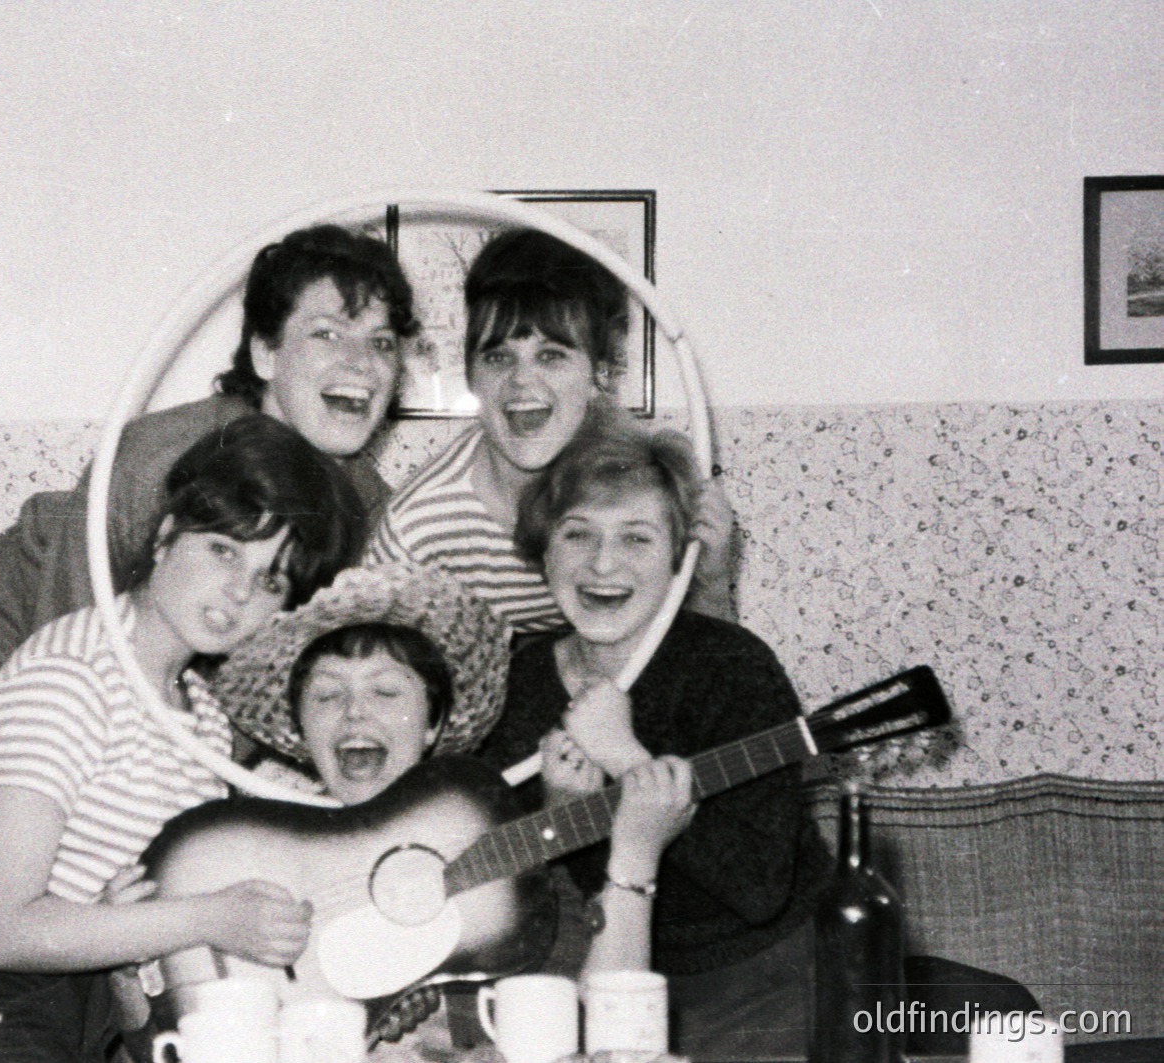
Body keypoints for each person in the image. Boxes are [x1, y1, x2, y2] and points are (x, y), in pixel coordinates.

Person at [0, 416, 368, 1063]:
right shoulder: (72, 675)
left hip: (67, 1017)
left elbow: (102, 927)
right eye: (223, 548)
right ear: (165, 534)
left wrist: (118, 926)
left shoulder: (198, 716)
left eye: (270, 578)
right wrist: (213, 916)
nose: (239, 590)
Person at [0, 224, 419, 835]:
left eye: (382, 343)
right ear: (264, 352)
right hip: (0, 647)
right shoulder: (161, 461)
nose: (361, 363)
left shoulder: (364, 499)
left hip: (160, 681)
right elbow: (68, 650)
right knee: (42, 860)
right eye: (328, 333)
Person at [208, 564, 697, 1059]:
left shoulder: (501, 844)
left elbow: (613, 1033)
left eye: (386, 691)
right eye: (328, 694)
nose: (354, 711)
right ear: (301, 733)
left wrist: (635, 858)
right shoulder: (253, 847)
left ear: (431, 723)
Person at [472, 407, 831, 1060]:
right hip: (591, 974)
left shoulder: (733, 667)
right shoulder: (514, 680)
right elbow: (520, 895)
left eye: (636, 538)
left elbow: (759, 888)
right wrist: (559, 811)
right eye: (577, 534)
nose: (602, 564)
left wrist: (625, 756)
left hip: (751, 986)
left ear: (678, 558)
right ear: (541, 548)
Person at [367, 227, 736, 636]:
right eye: (498, 357)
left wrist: (711, 580)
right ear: (471, 376)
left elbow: (711, 669)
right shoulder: (417, 528)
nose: (522, 381)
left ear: (598, 371)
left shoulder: (641, 486)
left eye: (551, 355)